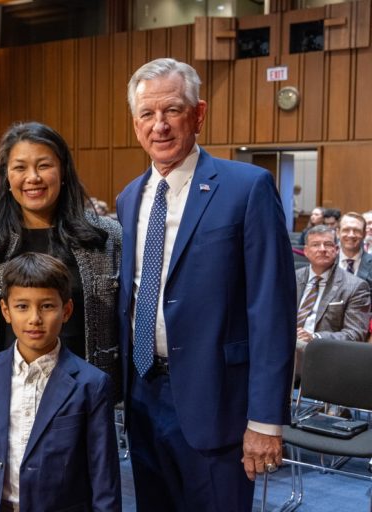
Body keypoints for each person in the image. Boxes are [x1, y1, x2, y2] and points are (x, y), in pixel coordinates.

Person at [116, 58, 296, 511]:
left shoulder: (247, 187)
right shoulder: (128, 198)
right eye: (147, 114)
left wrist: (265, 420)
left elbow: (272, 309)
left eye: (172, 110)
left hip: (218, 403)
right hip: (142, 395)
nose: (159, 125)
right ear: (135, 124)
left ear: (198, 114)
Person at [0, 122, 121, 394]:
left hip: (83, 394)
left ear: (63, 171)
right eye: (20, 168)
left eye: (43, 166)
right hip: (5, 393)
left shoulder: (105, 235)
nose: (33, 177)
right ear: (6, 176)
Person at [0, 252, 120, 511]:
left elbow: (103, 474)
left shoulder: (91, 383)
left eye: (47, 306)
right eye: (22, 306)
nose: (34, 319)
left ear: (67, 310)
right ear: (6, 311)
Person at [295, 225, 369, 364]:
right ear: (306, 251)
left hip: (324, 358)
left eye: (328, 244)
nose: (322, 249)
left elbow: (354, 334)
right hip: (285, 351)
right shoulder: (292, 278)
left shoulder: (355, 286)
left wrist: (314, 338)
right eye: (315, 245)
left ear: (336, 250)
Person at [336, 212, 372, 287]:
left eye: (356, 230)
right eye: (346, 230)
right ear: (338, 233)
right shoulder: (326, 262)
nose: (351, 235)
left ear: (364, 234)